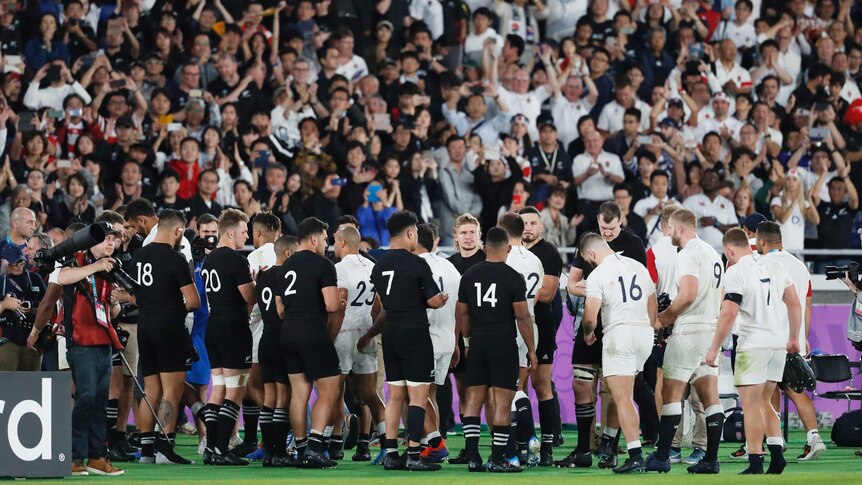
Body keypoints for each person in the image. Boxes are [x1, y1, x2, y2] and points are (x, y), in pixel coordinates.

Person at [705, 228, 802, 475]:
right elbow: (794, 303)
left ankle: (756, 461)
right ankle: (777, 455)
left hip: (752, 345)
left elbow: (728, 313)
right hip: (777, 344)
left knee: (750, 407)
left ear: (728, 251)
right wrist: (793, 337)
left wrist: (714, 347)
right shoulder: (776, 267)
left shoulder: (735, 272)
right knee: (765, 403)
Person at [560, 201, 646, 469]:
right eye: (603, 227)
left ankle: (609, 445)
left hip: (619, 326)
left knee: (615, 391)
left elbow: (642, 284)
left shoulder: (634, 245)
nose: (607, 232)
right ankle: (584, 447)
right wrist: (594, 290)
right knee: (581, 383)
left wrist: (602, 289)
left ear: (621, 221)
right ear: (597, 221)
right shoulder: (590, 241)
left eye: (611, 228)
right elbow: (572, 285)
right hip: (591, 319)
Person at [364, 210, 447, 471]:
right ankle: (413, 454)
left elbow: (381, 303)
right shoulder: (417, 263)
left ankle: (390, 453)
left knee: (395, 396)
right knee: (418, 397)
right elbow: (433, 300)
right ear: (411, 233)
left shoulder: (379, 265)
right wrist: (439, 300)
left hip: (390, 334)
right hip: (415, 333)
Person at [648, 209, 725, 474]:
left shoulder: (688, 253)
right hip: (710, 329)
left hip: (689, 331)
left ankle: (662, 457)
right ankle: (711, 460)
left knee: (670, 393)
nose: (668, 234)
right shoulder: (714, 253)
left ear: (679, 228)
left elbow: (688, 294)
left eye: (670, 229)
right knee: (710, 397)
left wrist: (665, 317)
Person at [124, 209, 200, 465]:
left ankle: (146, 450)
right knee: (171, 389)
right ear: (178, 231)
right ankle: (165, 446)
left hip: (145, 326)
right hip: (169, 329)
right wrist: (176, 305)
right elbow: (193, 301)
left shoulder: (139, 256)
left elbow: (135, 296)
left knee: (151, 389)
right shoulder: (176, 259)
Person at [457, 226, 535, 472]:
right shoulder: (513, 277)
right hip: (503, 343)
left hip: (478, 342)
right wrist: (531, 349)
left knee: (473, 400)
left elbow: (462, 313)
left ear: (484, 247)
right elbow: (523, 316)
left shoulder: (469, 275)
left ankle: (472, 457)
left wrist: (468, 341)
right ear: (509, 248)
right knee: (502, 403)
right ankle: (498, 458)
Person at [578, 232, 657, 474]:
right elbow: (652, 302)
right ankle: (619, 448)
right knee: (627, 393)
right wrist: (649, 328)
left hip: (619, 333)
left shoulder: (598, 274)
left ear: (591, 254)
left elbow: (590, 316)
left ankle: (635, 454)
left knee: (622, 397)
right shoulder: (637, 265)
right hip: (644, 333)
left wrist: (588, 333)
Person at [57, 221, 126, 476]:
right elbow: (63, 277)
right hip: (80, 340)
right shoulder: (76, 259)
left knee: (100, 400)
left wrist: (116, 303)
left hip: (104, 340)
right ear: (92, 241)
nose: (111, 243)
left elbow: (110, 312)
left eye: (114, 240)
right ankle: (74, 456)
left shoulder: (110, 269)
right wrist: (95, 266)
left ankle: (97, 456)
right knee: (85, 397)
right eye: (106, 239)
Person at [274, 217, 343, 468]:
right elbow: (332, 305)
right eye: (325, 239)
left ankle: (301, 448)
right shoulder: (324, 265)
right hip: (313, 331)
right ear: (314, 238)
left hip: (288, 332)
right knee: (329, 391)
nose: (327, 244)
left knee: (299, 392)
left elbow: (279, 308)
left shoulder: (285, 265)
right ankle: (315, 447)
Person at [756, 221, 827, 460]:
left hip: (770, 337)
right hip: (793, 338)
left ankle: (777, 439)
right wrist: (802, 336)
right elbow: (806, 303)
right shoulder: (800, 265)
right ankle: (811, 437)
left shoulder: (762, 263)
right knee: (795, 390)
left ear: (761, 242)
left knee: (767, 391)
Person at [201, 208, 256, 466]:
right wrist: (257, 281)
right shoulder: (235, 260)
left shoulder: (209, 259)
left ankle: (211, 448)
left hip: (214, 328)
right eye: (244, 232)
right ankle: (221, 450)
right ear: (231, 232)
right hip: (234, 328)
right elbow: (249, 296)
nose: (246, 237)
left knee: (218, 390)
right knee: (234, 392)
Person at [333, 226, 386, 462]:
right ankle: (381, 444)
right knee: (369, 395)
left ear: (342, 243)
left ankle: (334, 444)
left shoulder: (339, 269)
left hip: (343, 334)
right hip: (366, 333)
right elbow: (380, 306)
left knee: (336, 392)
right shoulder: (373, 267)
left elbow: (339, 304)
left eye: (335, 241)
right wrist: (370, 330)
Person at [497, 211, 545, 465]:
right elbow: (535, 297)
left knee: (506, 392)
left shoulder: (501, 258)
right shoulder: (535, 260)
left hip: (505, 328)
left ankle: (515, 449)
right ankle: (529, 441)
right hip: (530, 327)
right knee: (520, 387)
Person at [415, 223, 461, 463]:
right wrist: (456, 342)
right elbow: (461, 308)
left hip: (425, 339)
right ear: (434, 241)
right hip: (446, 338)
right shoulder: (451, 267)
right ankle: (431, 443)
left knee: (416, 395)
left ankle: (431, 442)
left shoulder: (415, 267)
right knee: (431, 393)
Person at [519, 206, 564, 455]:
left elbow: (547, 294)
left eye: (532, 223)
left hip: (542, 325)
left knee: (541, 384)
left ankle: (546, 445)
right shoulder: (510, 252)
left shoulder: (549, 253)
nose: (528, 227)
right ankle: (525, 441)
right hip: (514, 326)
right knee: (518, 385)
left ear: (541, 227)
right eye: (523, 223)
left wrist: (517, 301)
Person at [238, 212, 282, 460]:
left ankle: (275, 437)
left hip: (261, 327)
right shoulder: (286, 254)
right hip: (283, 326)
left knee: (255, 386)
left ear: (257, 232)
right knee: (281, 387)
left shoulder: (255, 256)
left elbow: (252, 297)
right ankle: (266, 439)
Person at [445, 213, 485, 465]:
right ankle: (471, 447)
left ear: (479, 235)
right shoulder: (448, 265)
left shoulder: (489, 261)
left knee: (490, 393)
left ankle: (506, 445)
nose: (468, 237)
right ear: (456, 237)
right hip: (457, 337)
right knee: (464, 389)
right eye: (464, 233)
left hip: (485, 336)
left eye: (472, 232)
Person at [254, 234, 297, 466]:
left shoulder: (263, 275)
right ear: (288, 253)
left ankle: (269, 452)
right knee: (283, 397)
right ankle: (280, 452)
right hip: (283, 338)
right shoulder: (288, 277)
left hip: (265, 339)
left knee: (269, 398)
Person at [0, 244, 47, 371]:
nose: (18, 265)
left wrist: (31, 308)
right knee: (7, 384)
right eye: (13, 262)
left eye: (20, 261)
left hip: (32, 339)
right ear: (3, 262)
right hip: (6, 341)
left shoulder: (35, 279)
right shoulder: (1, 281)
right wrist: (5, 305)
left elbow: (48, 308)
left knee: (29, 385)